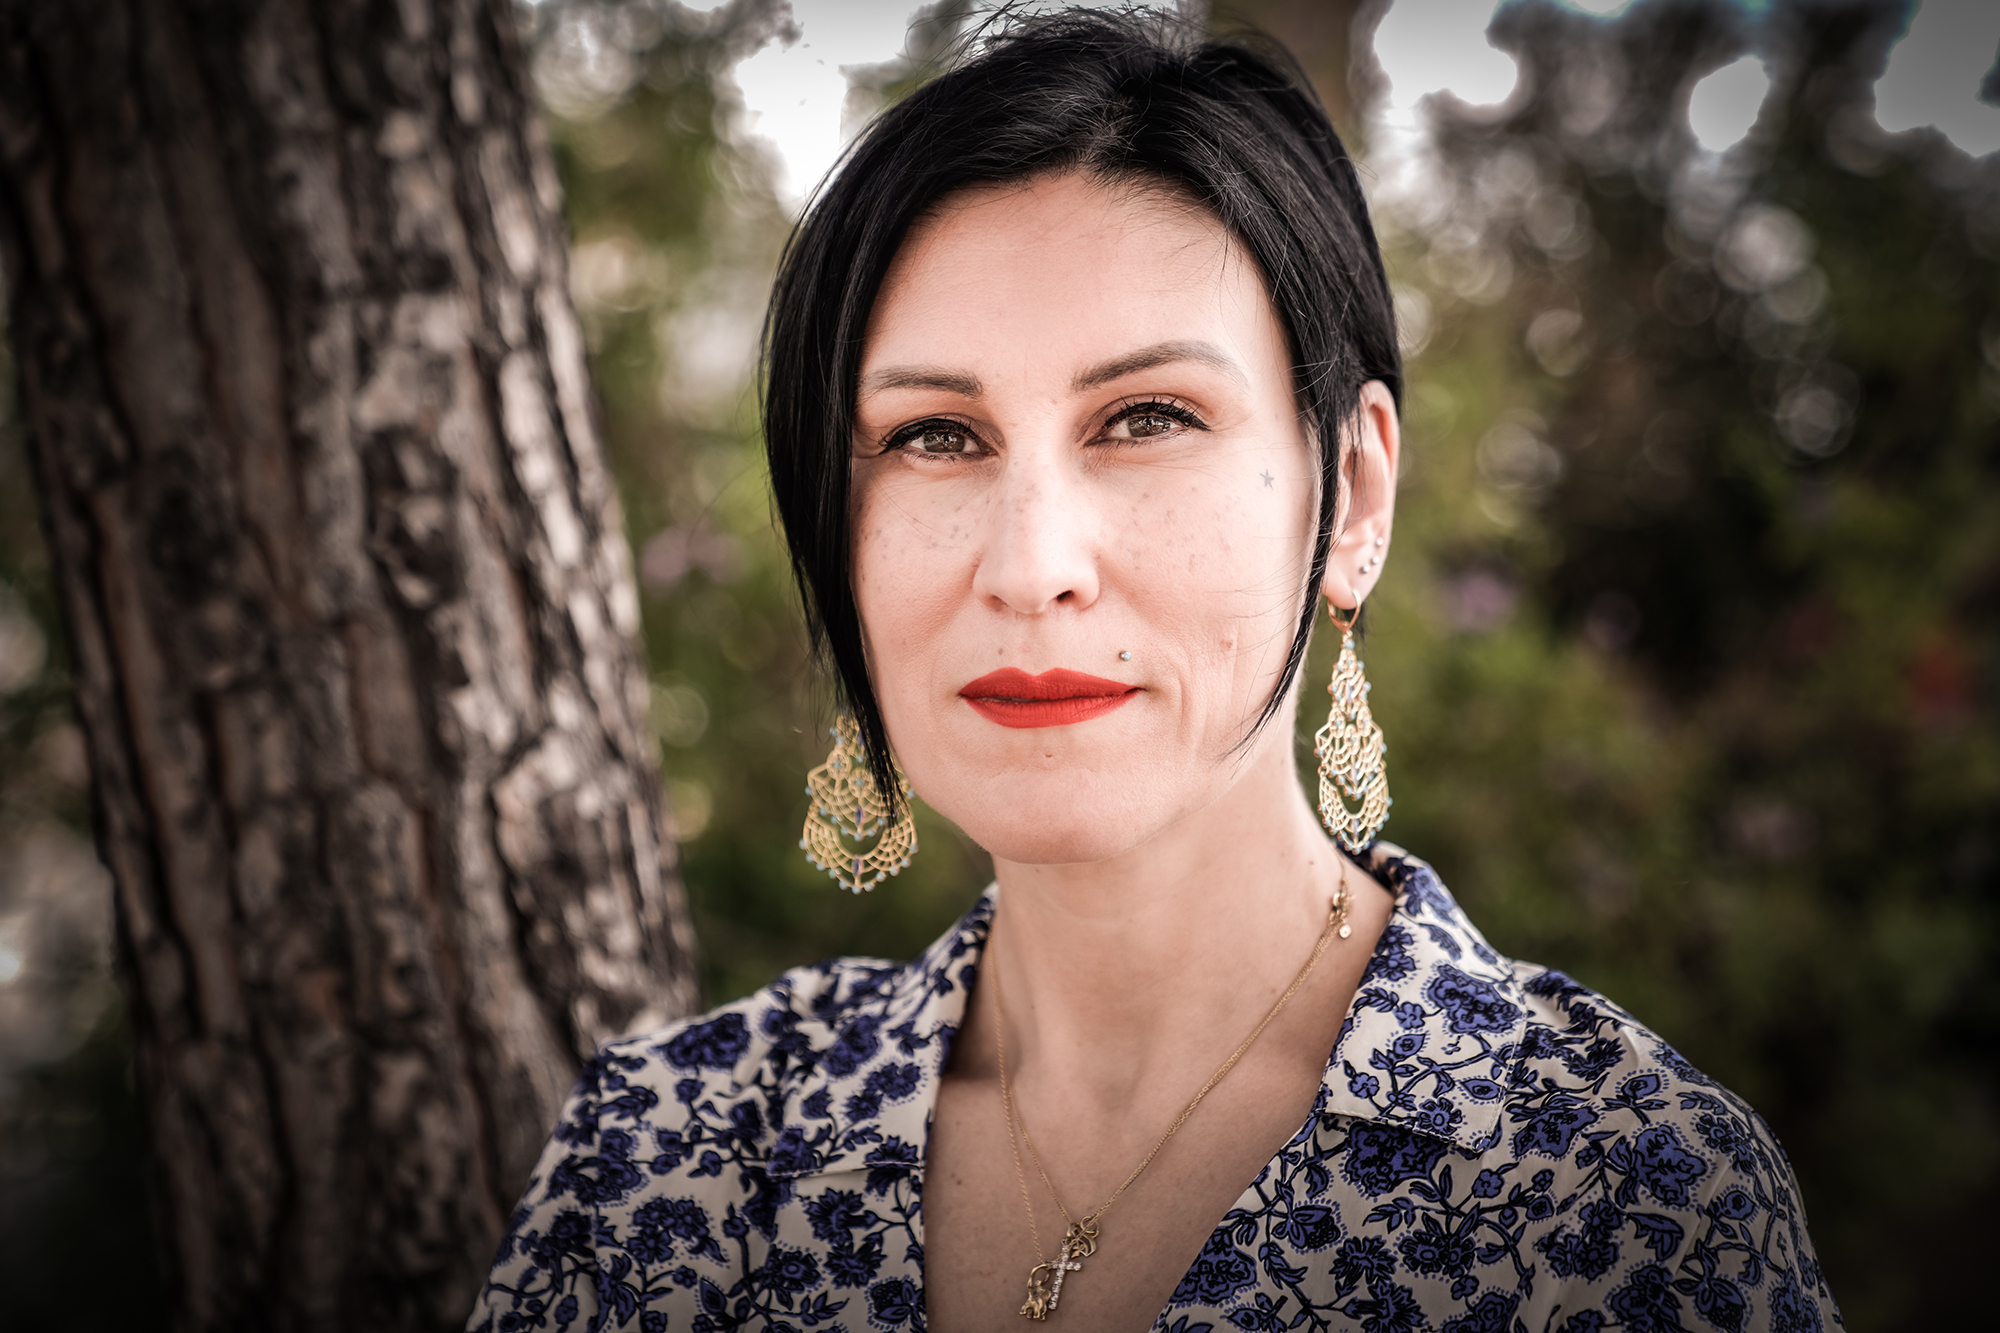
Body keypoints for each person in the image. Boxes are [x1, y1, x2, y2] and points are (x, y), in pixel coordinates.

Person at [468, 10, 1840, 1331]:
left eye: (1146, 417)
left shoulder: (1617, 1201)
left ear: (1354, 496)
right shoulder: (671, 1158)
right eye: (937, 436)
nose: (1031, 566)